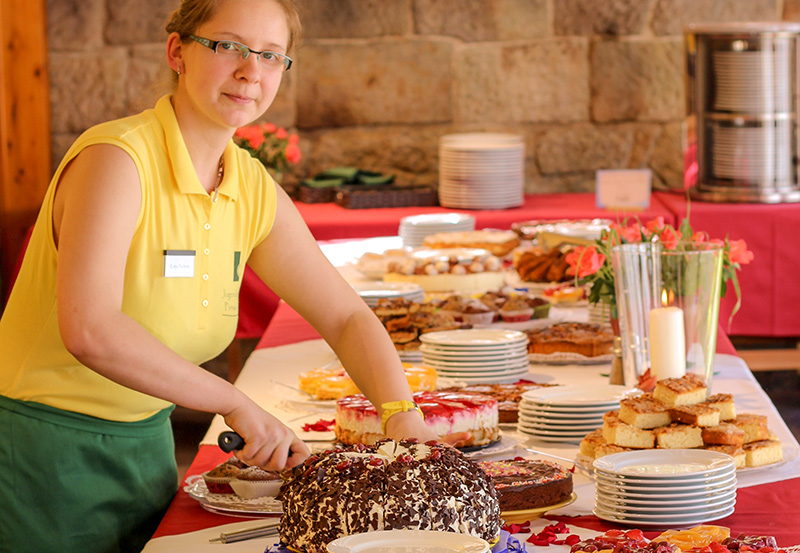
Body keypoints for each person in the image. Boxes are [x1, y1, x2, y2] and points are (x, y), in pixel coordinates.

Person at [0, 1, 449, 551]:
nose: (249, 70)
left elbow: (345, 314)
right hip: (40, 451)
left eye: (269, 55)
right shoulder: (115, 160)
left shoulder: (250, 186)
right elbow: (90, 328)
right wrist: (233, 402)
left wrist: (401, 413)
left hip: (147, 446)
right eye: (228, 46)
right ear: (177, 51)